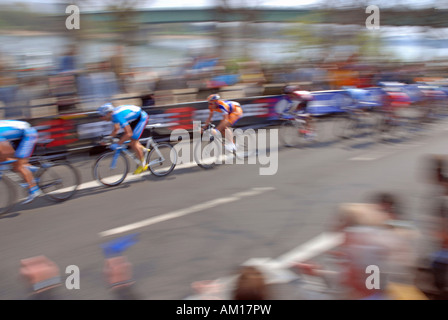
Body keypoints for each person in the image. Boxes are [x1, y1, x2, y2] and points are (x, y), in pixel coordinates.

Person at [97, 103, 149, 174]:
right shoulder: (112, 116)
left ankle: (143, 164)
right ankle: (141, 148)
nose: (101, 118)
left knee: (133, 142)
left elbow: (129, 133)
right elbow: (116, 129)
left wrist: (118, 144)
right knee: (128, 139)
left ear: (108, 113)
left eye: (102, 116)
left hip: (142, 117)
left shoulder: (116, 116)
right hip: (135, 118)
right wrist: (107, 139)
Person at [0, 120, 41, 203]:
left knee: (19, 166)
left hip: (28, 134)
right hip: (18, 135)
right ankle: (28, 168)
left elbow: (7, 152)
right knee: (13, 161)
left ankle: (34, 190)